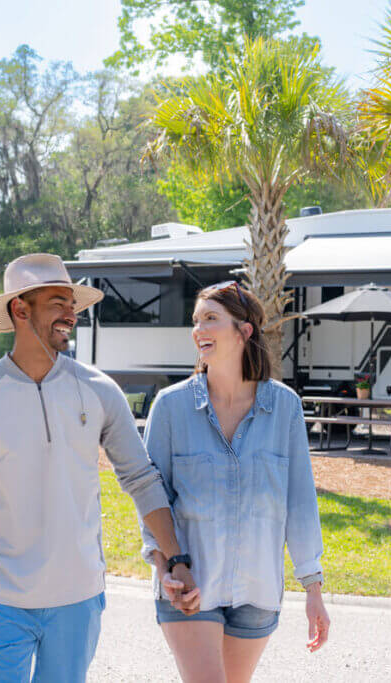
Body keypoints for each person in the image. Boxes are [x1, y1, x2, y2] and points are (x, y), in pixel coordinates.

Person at [0, 253, 199, 682]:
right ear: (20, 308)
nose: (71, 314)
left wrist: (177, 557)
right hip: (1, 601)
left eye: (72, 304)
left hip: (78, 599)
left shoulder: (98, 391)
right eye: (58, 302)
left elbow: (141, 480)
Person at [141, 280, 329, 683]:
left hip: (257, 590)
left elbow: (299, 501)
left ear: (244, 331)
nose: (198, 330)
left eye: (211, 319)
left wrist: (313, 588)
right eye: (196, 321)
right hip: (188, 584)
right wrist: (165, 568)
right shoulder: (171, 407)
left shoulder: (285, 407)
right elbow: (151, 496)